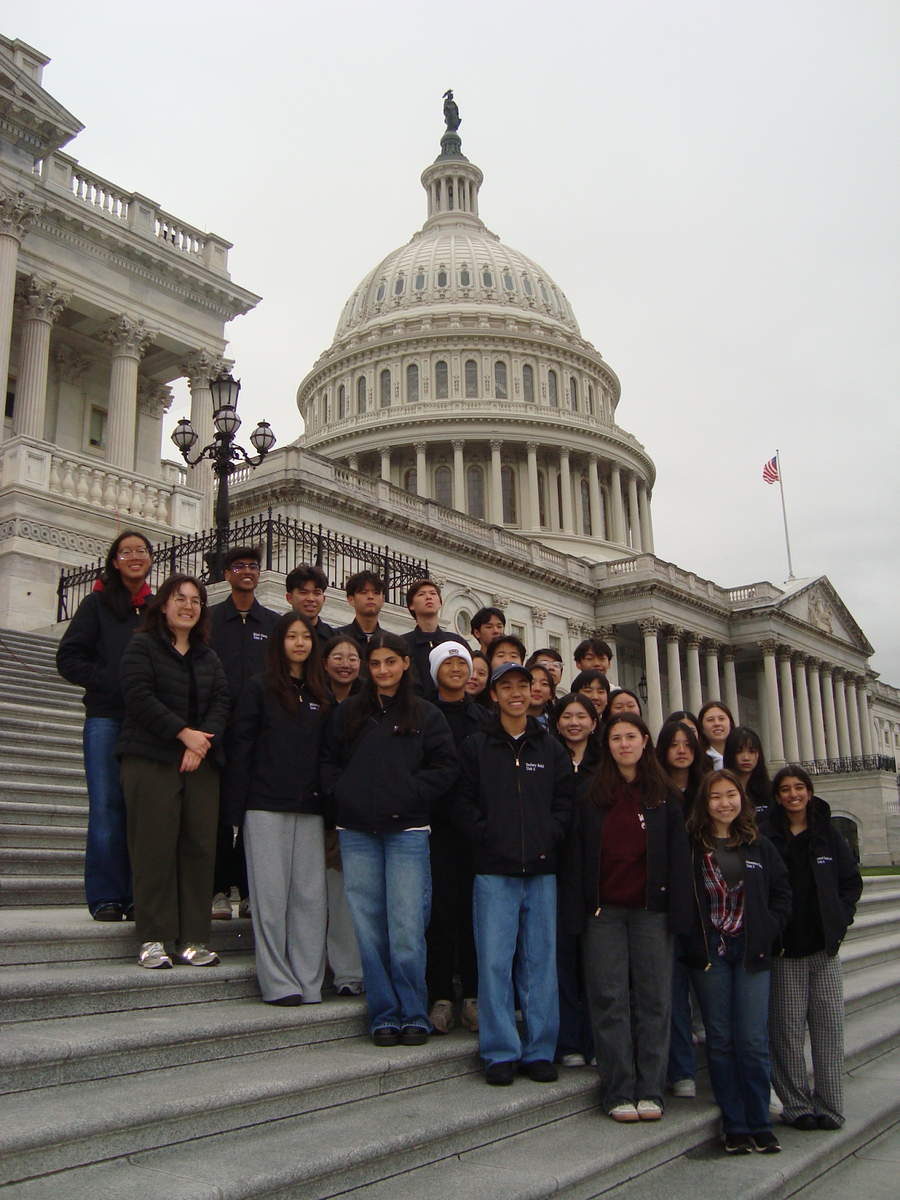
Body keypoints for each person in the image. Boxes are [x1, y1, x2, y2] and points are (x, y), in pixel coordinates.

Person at [319, 632, 458, 1046]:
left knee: (406, 927)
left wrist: (410, 794)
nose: (382, 671)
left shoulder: (427, 715)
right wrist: (344, 794)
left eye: (389, 662)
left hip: (407, 832)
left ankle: (413, 1010)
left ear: (404, 664)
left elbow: (445, 767)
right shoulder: (348, 713)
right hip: (357, 830)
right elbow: (327, 763)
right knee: (368, 927)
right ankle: (383, 1013)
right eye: (375, 663)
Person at [562, 713, 692, 1122]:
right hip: (603, 912)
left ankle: (651, 1088)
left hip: (651, 911)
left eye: (630, 737)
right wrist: (577, 913)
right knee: (608, 999)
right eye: (616, 738)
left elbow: (678, 861)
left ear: (645, 741)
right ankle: (618, 1091)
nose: (623, 744)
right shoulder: (589, 793)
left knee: (654, 1000)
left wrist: (679, 916)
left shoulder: (665, 794)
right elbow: (576, 857)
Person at [454, 663, 576, 1086]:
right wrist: (487, 837)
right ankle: (500, 1050)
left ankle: (540, 1050)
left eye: (523, 686)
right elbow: (463, 803)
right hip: (494, 872)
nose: (516, 694)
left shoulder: (551, 748)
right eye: (506, 687)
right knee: (494, 964)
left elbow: (565, 803)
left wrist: (550, 834)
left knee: (540, 965)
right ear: (494, 695)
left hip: (542, 871)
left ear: (533, 692)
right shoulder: (475, 746)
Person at [117, 575, 230, 969]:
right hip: (150, 757)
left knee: (199, 847)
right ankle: (153, 937)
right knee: (153, 848)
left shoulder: (207, 656)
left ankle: (194, 938)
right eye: (179, 598)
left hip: (199, 762)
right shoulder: (142, 646)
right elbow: (138, 696)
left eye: (196, 600)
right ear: (163, 605)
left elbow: (220, 702)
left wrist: (201, 744)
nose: (188, 606)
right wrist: (183, 735)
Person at [222, 612, 333, 1005]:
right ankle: (277, 982)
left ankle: (308, 979)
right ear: (279, 643)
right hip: (266, 805)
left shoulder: (322, 694)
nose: (300, 643)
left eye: (306, 636)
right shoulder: (259, 687)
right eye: (292, 636)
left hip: (310, 807)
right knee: (270, 899)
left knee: (310, 899)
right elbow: (242, 749)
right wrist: (235, 811)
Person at [682, 769, 792, 1154]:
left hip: (750, 949)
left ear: (741, 800)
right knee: (721, 1040)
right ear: (704, 802)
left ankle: (761, 1121)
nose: (724, 802)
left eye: (731, 794)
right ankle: (735, 1124)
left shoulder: (758, 845)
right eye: (715, 796)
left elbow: (782, 893)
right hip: (710, 951)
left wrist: (767, 927)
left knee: (752, 1040)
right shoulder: (692, 845)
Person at [56, 531, 154, 922]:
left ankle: (137, 893)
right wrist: (111, 682)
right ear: (115, 561)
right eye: (126, 552)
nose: (134, 557)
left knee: (141, 810)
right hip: (105, 717)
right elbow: (69, 658)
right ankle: (106, 895)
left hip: (147, 723)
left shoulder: (156, 608)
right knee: (106, 807)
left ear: (150, 559)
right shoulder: (95, 604)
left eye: (141, 551)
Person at [763, 766, 862, 1132]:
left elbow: (851, 882)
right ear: (776, 796)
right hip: (786, 951)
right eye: (785, 789)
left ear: (809, 792)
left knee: (828, 1028)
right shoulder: (767, 836)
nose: (793, 795)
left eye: (799, 788)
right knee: (786, 1032)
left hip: (824, 950)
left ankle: (831, 1104)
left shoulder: (829, 836)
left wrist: (841, 918)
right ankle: (796, 1103)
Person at [209, 546, 281, 921]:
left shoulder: (271, 624)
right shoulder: (210, 621)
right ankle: (218, 889)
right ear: (227, 574)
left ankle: (250, 888)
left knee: (254, 815)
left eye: (254, 566)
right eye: (240, 567)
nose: (248, 572)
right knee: (221, 816)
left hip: (259, 735)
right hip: (216, 732)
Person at [425, 642, 491, 1035]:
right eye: (447, 663)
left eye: (461, 663)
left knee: (473, 915)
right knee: (438, 915)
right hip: (435, 827)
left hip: (475, 830)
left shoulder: (484, 718)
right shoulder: (424, 713)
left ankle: (472, 995)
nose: (455, 668)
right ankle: (440, 997)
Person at [655, 719, 711, 1099]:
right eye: (673, 743)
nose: (680, 750)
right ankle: (681, 1069)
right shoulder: (654, 791)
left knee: (709, 992)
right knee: (671, 990)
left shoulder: (710, 793)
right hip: (665, 900)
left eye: (686, 743)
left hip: (708, 902)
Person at [553, 692, 601, 1068]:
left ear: (594, 722)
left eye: (580, 716)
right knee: (561, 960)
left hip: (598, 873)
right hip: (555, 870)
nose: (573, 722)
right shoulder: (549, 760)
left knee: (597, 965)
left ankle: (596, 1040)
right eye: (566, 715)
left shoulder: (606, 766)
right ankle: (568, 1040)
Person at [320, 633, 365, 994]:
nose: (346, 663)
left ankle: (348, 973)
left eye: (353, 657)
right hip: (312, 807)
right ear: (324, 662)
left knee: (343, 895)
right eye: (338, 656)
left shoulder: (368, 705)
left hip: (352, 812)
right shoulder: (312, 698)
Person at [402, 578, 469, 701]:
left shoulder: (456, 643)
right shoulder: (403, 644)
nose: (428, 597)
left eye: (433, 593)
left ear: (440, 603)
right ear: (411, 605)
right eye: (421, 594)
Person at [338, 570, 386, 675]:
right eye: (364, 592)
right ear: (351, 600)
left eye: (376, 592)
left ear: (383, 600)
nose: (370, 596)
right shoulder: (337, 637)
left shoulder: (390, 641)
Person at [724, 726, 773, 821]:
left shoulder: (770, 790)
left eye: (752, 751)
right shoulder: (720, 789)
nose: (746, 757)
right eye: (739, 751)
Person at [285, 564, 335, 650]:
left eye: (317, 593)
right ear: (289, 598)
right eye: (303, 592)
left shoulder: (334, 640)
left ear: (323, 599)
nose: (311, 599)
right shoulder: (278, 634)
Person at [322, 634, 362, 703]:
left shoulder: (370, 695)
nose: (345, 665)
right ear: (325, 663)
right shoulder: (315, 692)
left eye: (352, 659)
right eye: (338, 658)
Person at [698, 700, 735, 770]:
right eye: (710, 720)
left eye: (721, 719)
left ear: (731, 724)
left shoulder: (740, 757)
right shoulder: (697, 760)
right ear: (702, 727)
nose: (717, 724)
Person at [527, 663, 556, 730]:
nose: (537, 688)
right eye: (531, 683)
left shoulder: (556, 726)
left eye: (544, 684)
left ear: (551, 694)